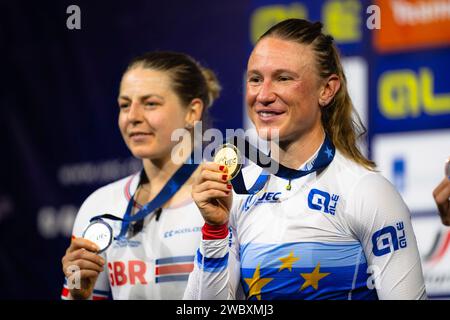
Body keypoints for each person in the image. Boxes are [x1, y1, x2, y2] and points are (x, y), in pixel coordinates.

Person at [184, 19, 426, 300]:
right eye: (255, 79)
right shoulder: (236, 193)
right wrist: (215, 230)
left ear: (326, 90)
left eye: (284, 78)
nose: (263, 95)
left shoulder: (367, 191)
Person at [61, 51, 221, 299]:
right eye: (125, 105)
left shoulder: (226, 196)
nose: (133, 117)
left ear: (192, 112)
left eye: (150, 103)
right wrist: (78, 295)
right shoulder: (99, 205)